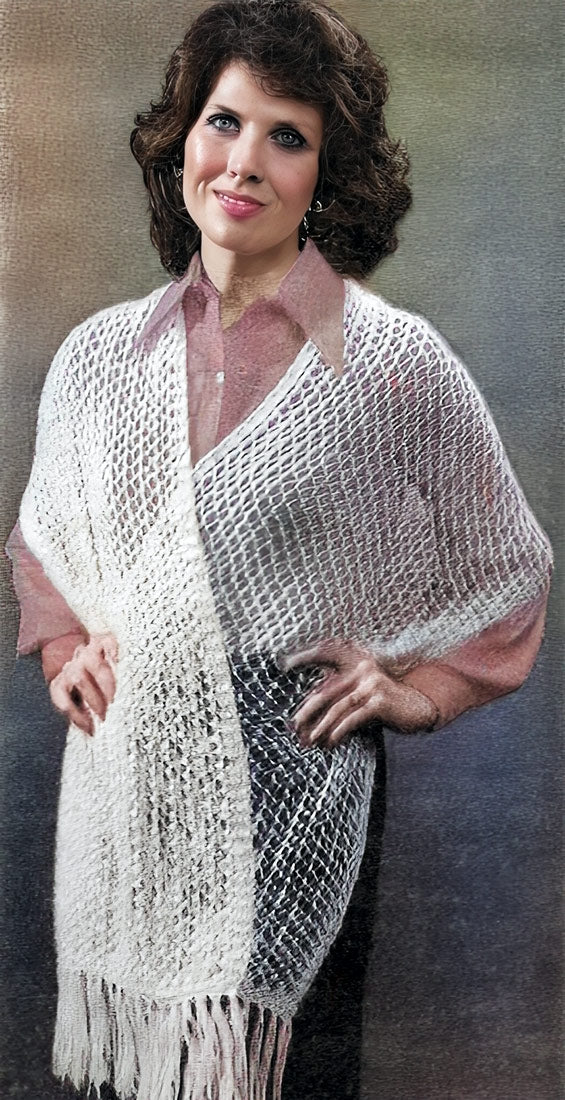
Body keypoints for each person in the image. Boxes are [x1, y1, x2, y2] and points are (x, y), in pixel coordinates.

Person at [7, 1, 552, 1097]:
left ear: (326, 174)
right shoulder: (99, 356)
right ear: (183, 139)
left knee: (286, 1078)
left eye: (287, 136)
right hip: (129, 793)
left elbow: (508, 565)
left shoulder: (390, 362)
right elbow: (46, 540)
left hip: (295, 787)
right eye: (224, 121)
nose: (243, 161)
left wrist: (419, 693)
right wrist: (65, 649)